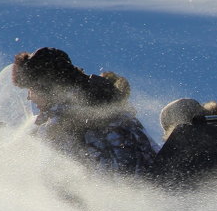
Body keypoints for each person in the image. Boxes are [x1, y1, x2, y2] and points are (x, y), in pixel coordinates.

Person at [11, 47, 156, 176]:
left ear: (47, 88)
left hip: (107, 196)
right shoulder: (106, 104)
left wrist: (2, 149)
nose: (29, 97)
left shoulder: (62, 121)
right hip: (144, 185)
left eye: (31, 89)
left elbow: (41, 165)